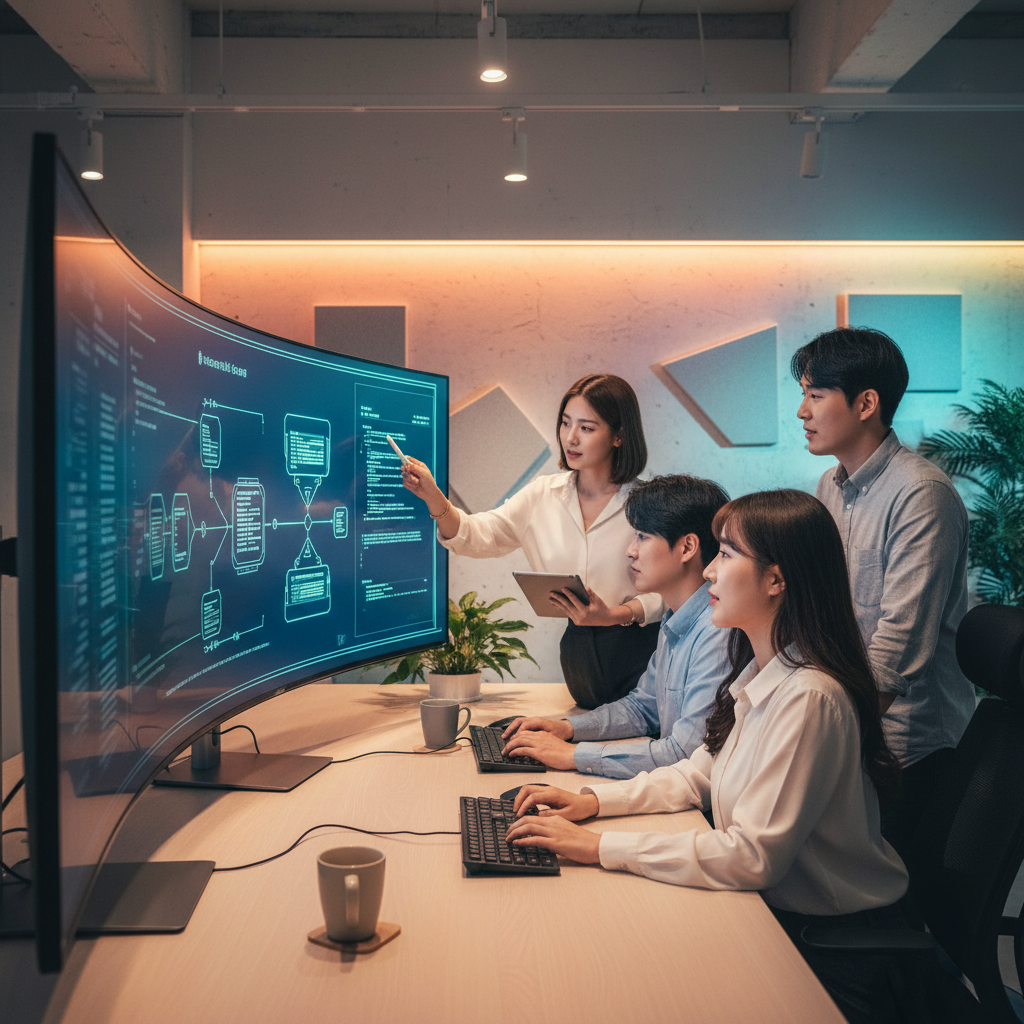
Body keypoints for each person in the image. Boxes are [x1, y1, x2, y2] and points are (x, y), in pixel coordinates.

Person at [505, 490, 909, 1024]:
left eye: (726, 555)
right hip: (778, 917)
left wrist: (600, 847)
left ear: (776, 580)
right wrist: (590, 803)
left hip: (829, 949)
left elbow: (750, 856)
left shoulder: (810, 697)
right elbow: (698, 772)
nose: (711, 574)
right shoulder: (765, 669)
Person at [793, 327, 974, 858]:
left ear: (866, 403)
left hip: (901, 747)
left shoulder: (921, 494)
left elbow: (895, 651)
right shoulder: (830, 485)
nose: (803, 411)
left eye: (815, 395)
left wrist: (824, 743)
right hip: (849, 727)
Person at [400, 374, 664, 709]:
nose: (570, 438)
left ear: (618, 436)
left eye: (586, 427)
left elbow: (675, 593)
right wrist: (434, 498)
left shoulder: (649, 502)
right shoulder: (542, 495)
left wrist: (616, 614)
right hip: (578, 655)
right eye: (566, 423)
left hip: (641, 653)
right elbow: (476, 535)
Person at [500, 474, 732, 778]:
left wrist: (574, 754)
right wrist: (567, 728)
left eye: (642, 537)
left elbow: (683, 753)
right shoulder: (674, 619)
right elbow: (642, 708)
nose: (630, 551)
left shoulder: (717, 632)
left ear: (687, 547)